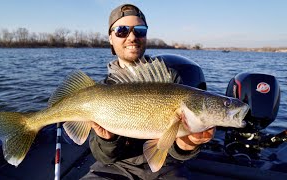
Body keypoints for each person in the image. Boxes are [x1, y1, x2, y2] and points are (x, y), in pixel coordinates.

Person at [82, 4, 215, 179]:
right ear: (110, 38)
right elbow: (104, 157)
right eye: (122, 30)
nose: (132, 37)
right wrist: (108, 140)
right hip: (115, 167)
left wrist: (187, 145)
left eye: (139, 30)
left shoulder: (169, 79)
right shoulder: (99, 91)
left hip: (166, 167)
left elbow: (176, 152)